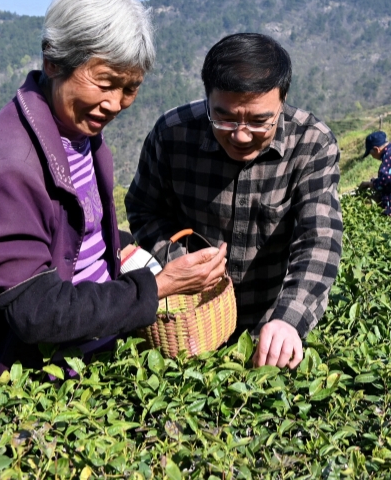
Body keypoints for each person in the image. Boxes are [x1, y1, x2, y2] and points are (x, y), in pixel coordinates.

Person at [0, 0, 227, 377]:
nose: (115, 104)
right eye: (105, 83)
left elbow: (78, 232)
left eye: (130, 88)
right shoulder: (11, 168)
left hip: (87, 361)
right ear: (54, 61)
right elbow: (36, 311)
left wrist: (135, 253)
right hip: (30, 382)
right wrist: (157, 287)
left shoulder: (78, 133)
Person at [125, 33, 343, 370]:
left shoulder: (311, 144)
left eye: (259, 121)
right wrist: (183, 263)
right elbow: (144, 208)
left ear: (282, 101)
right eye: (224, 118)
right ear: (208, 98)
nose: (241, 135)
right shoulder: (173, 134)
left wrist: (289, 320)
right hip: (189, 329)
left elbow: (319, 240)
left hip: (268, 329)